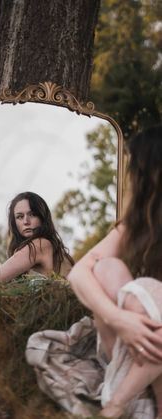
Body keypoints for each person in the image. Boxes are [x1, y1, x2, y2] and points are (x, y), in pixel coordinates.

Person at [68, 125, 162, 418]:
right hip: (138, 354)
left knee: (147, 289)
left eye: (132, 169)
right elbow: (78, 273)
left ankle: (119, 404)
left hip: (145, 361)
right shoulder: (134, 227)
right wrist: (119, 319)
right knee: (107, 268)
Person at [0, 191, 74, 284]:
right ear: (14, 223)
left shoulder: (40, 245)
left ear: (42, 217)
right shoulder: (50, 245)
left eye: (32, 214)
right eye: (20, 217)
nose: (26, 221)